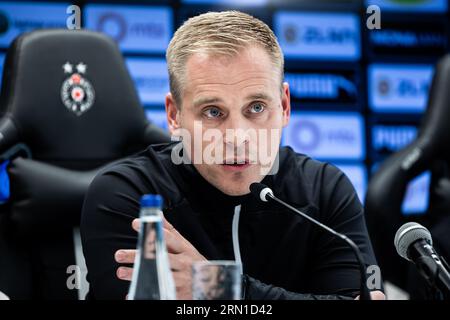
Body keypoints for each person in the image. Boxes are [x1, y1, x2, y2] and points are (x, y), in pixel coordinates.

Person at [81, 11, 384, 300]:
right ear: (174, 115)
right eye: (213, 112)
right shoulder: (130, 196)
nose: (237, 137)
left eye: (256, 108)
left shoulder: (325, 190)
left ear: (285, 106)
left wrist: (216, 286)